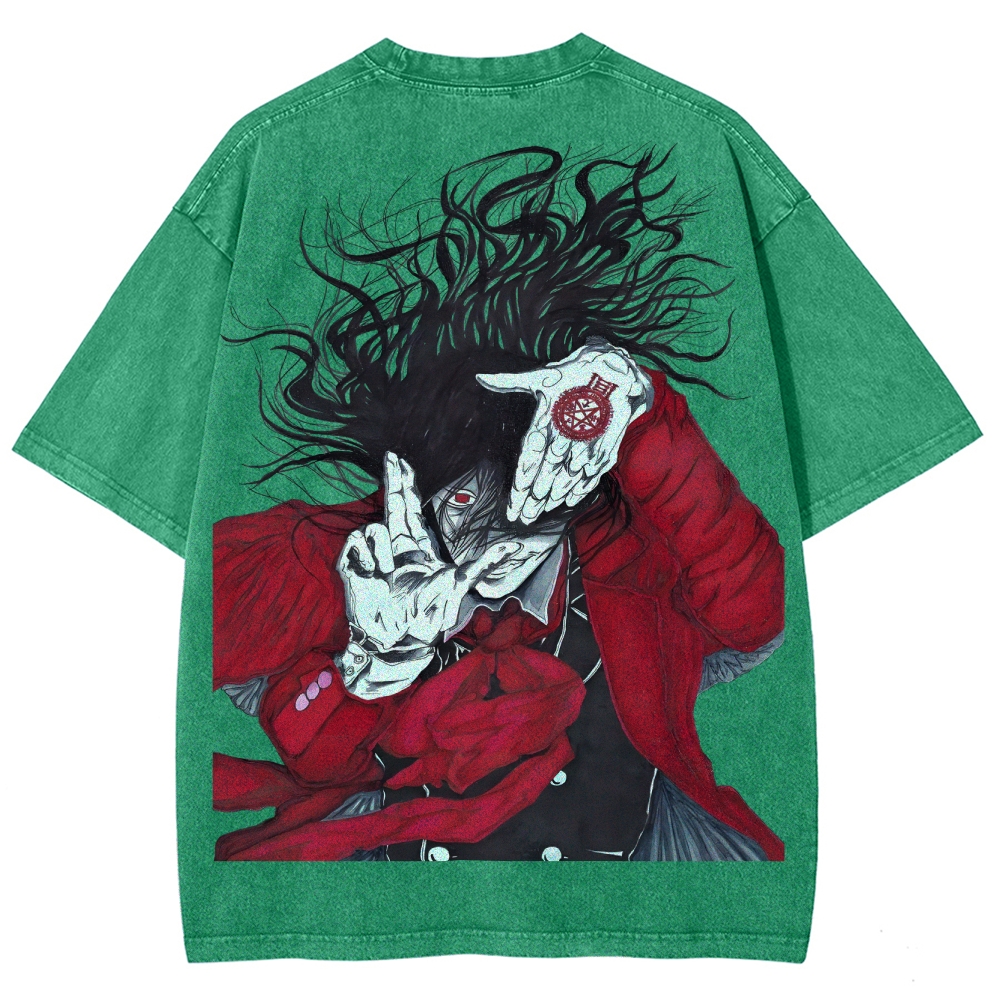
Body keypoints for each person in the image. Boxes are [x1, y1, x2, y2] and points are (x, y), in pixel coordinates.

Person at [211, 148, 786, 862]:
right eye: (459, 501)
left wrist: (637, 408)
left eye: (523, 503)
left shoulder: (631, 568)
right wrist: (373, 658)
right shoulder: (369, 563)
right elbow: (307, 748)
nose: (489, 541)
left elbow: (753, 606)